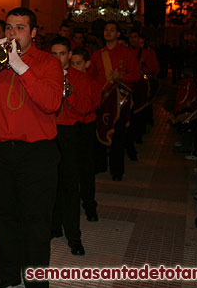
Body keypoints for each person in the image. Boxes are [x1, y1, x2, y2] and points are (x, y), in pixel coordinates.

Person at [0, 7, 63, 288]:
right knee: (1, 216)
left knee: (36, 220)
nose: (12, 33)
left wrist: (20, 66)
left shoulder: (48, 63)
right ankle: (8, 272)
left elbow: (51, 103)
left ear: (34, 33)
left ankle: (37, 279)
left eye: (20, 28)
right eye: (9, 27)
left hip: (36, 153)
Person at [49, 36, 93, 256]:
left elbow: (86, 108)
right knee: (51, 184)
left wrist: (70, 93)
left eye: (62, 54)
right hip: (49, 134)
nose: (58, 58)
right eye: (54, 54)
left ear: (69, 55)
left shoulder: (79, 78)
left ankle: (74, 236)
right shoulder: (46, 76)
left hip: (70, 134)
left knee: (70, 187)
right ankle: (54, 226)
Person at [89, 22, 141, 181]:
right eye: (106, 30)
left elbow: (136, 76)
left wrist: (122, 78)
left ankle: (117, 170)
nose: (108, 33)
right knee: (99, 131)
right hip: (102, 99)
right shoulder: (97, 54)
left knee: (118, 135)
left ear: (118, 34)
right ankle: (100, 165)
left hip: (119, 100)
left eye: (112, 30)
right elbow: (91, 77)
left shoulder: (127, 53)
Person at [70, 47, 99, 221]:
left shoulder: (92, 82)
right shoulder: (68, 79)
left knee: (87, 169)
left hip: (86, 127)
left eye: (78, 63)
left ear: (87, 64)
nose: (74, 67)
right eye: (72, 63)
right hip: (72, 127)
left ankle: (89, 204)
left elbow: (91, 106)